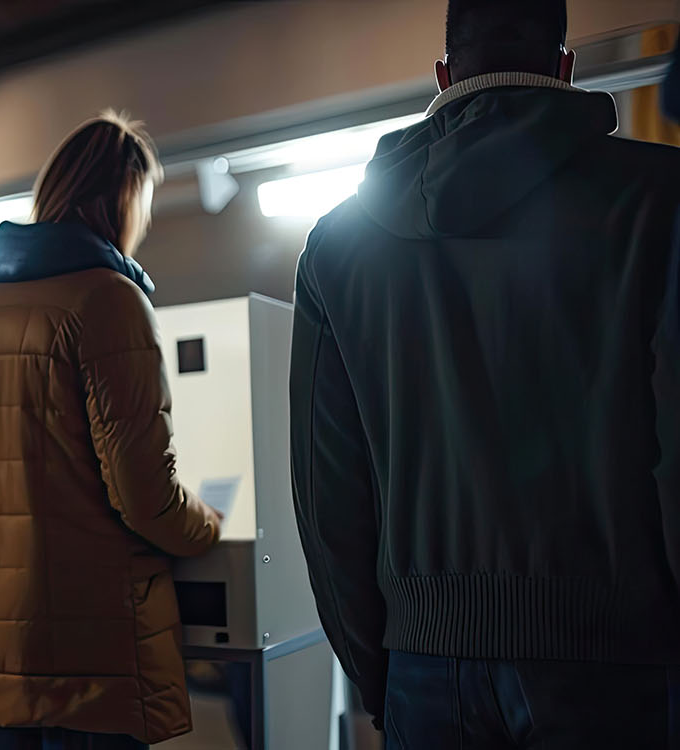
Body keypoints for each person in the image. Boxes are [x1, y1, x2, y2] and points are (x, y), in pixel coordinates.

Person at [288, 0, 680, 747]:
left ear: (443, 73)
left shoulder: (337, 245)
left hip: (422, 666)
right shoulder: (659, 198)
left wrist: (387, 666)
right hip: (616, 664)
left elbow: (326, 493)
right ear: (565, 68)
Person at [0, 112, 222, 750]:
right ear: (122, 197)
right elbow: (143, 493)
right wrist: (207, 523)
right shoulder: (109, 298)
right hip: (90, 649)